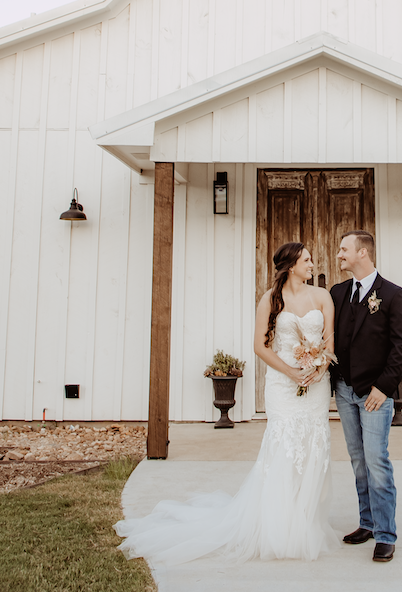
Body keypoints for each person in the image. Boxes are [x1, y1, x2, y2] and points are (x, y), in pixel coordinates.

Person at [114, 241, 339, 565]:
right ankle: (277, 523)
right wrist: (291, 371)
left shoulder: (323, 297)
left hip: (315, 387)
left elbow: (329, 338)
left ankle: (305, 521)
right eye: (306, 260)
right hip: (283, 386)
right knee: (284, 448)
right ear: (291, 265)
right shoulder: (270, 299)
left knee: (314, 447)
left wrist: (319, 369)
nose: (312, 264)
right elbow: (260, 347)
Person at [330, 230, 402, 563]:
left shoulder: (393, 295)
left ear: (363, 253)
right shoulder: (337, 293)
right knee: (357, 460)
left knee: (376, 461)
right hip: (345, 391)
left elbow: (401, 346)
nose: (339, 255)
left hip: (375, 394)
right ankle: (366, 522)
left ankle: (385, 534)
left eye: (344, 249)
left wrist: (384, 387)